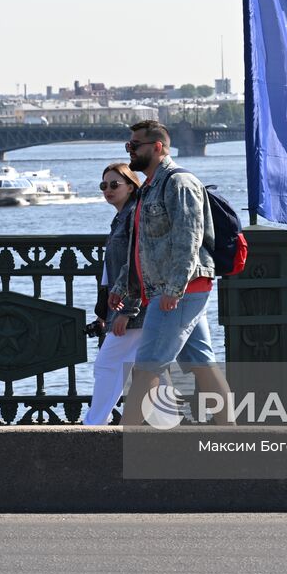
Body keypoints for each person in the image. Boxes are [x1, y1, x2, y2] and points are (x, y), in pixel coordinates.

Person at [111, 119, 231, 425]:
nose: (130, 151)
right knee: (203, 364)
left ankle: (122, 445)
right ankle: (232, 433)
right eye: (129, 145)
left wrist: (174, 289)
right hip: (172, 290)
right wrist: (124, 286)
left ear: (158, 147)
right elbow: (144, 246)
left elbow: (189, 238)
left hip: (180, 289)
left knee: (147, 367)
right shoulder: (149, 188)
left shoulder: (179, 183)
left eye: (135, 146)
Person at [82, 162, 148, 425]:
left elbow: (138, 266)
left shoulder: (133, 216)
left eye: (114, 185)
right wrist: (104, 314)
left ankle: (95, 425)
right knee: (145, 369)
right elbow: (112, 275)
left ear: (131, 186)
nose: (107, 190)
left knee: (108, 365)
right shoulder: (121, 218)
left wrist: (126, 311)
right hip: (125, 309)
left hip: (133, 310)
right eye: (103, 185)